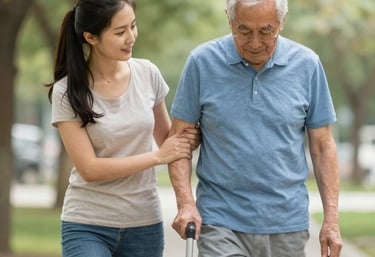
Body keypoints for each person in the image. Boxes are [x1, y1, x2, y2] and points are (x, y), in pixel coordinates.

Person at [168, 0, 343, 256]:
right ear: (229, 19)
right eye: (243, 30)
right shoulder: (202, 62)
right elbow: (179, 140)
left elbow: (323, 146)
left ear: (282, 22)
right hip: (221, 220)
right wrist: (185, 204)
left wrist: (332, 220)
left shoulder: (307, 65)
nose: (254, 43)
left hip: (286, 224)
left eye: (266, 31)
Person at [46, 1, 199, 257]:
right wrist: (158, 157)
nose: (131, 38)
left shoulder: (147, 74)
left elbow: (167, 139)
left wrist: (191, 135)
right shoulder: (67, 91)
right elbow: (90, 169)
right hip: (87, 224)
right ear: (90, 37)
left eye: (133, 26)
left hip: (143, 224)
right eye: (120, 32)